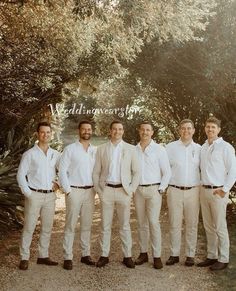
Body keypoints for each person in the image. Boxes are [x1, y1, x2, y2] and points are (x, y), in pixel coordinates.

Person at [93, 120, 140, 268]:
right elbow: (96, 172)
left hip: (123, 191)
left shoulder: (131, 149)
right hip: (106, 190)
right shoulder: (101, 149)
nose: (117, 132)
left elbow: (137, 172)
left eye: (120, 129)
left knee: (125, 225)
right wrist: (99, 191)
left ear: (123, 131)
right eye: (114, 129)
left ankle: (127, 256)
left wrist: (131, 189)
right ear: (110, 130)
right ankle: (104, 255)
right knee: (105, 225)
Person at [17, 121, 60, 270]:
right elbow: (20, 175)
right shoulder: (29, 154)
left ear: (51, 134)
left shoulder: (56, 154)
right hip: (34, 195)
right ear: (37, 134)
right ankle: (24, 257)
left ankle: (43, 255)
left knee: (47, 227)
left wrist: (59, 183)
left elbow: (66, 170)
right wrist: (29, 193)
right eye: (43, 132)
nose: (45, 135)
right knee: (29, 226)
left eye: (48, 132)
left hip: (50, 196)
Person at [197, 117, 236, 270]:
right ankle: (212, 255)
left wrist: (225, 189)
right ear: (205, 128)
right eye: (208, 127)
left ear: (219, 129)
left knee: (220, 226)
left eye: (213, 127)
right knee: (208, 226)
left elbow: (233, 171)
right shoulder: (203, 147)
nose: (210, 129)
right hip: (204, 190)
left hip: (218, 191)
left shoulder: (226, 147)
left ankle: (224, 258)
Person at [59, 120, 97, 270]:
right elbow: (62, 171)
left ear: (91, 131)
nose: (86, 131)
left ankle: (85, 255)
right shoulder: (70, 149)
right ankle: (67, 257)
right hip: (74, 190)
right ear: (79, 131)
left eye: (89, 129)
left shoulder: (95, 150)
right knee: (70, 225)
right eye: (84, 129)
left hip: (90, 192)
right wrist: (68, 190)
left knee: (87, 225)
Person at [134, 122, 171, 269]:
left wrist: (161, 188)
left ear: (152, 132)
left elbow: (167, 172)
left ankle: (157, 256)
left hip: (154, 189)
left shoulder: (159, 149)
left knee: (153, 223)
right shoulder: (133, 149)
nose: (145, 132)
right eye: (142, 129)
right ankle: (143, 253)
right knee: (141, 223)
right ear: (139, 131)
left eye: (148, 130)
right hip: (138, 191)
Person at [165, 119, 201, 267]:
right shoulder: (170, 147)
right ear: (179, 130)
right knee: (174, 223)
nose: (186, 131)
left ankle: (190, 255)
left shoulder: (199, 149)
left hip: (193, 191)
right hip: (174, 190)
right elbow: (164, 169)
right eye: (183, 128)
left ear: (193, 130)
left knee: (192, 224)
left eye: (189, 128)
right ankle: (174, 254)